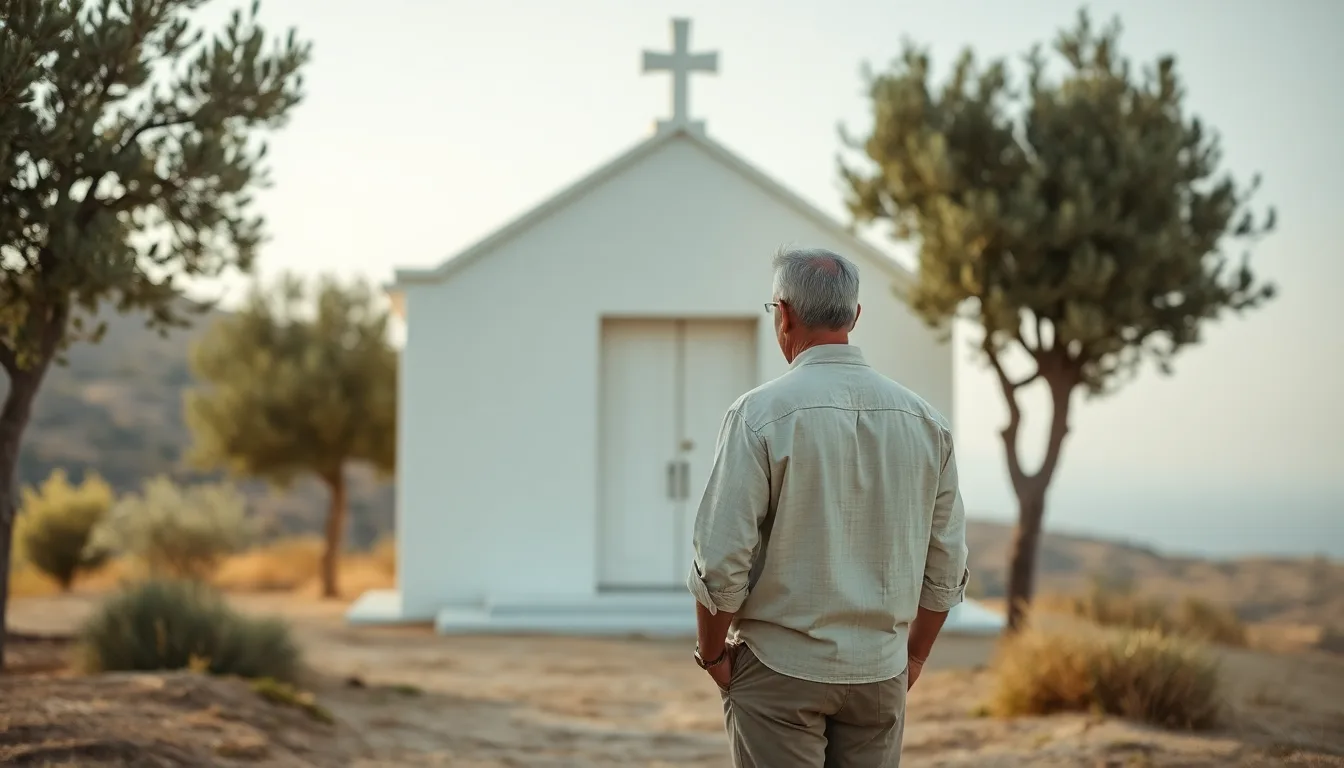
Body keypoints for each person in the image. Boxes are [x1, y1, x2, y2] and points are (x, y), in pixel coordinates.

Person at [686, 246, 970, 767]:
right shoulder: (927, 423)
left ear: (784, 312)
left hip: (780, 669)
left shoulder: (758, 415)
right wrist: (914, 656)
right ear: (855, 316)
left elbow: (722, 558)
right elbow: (946, 565)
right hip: (880, 674)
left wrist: (711, 655)